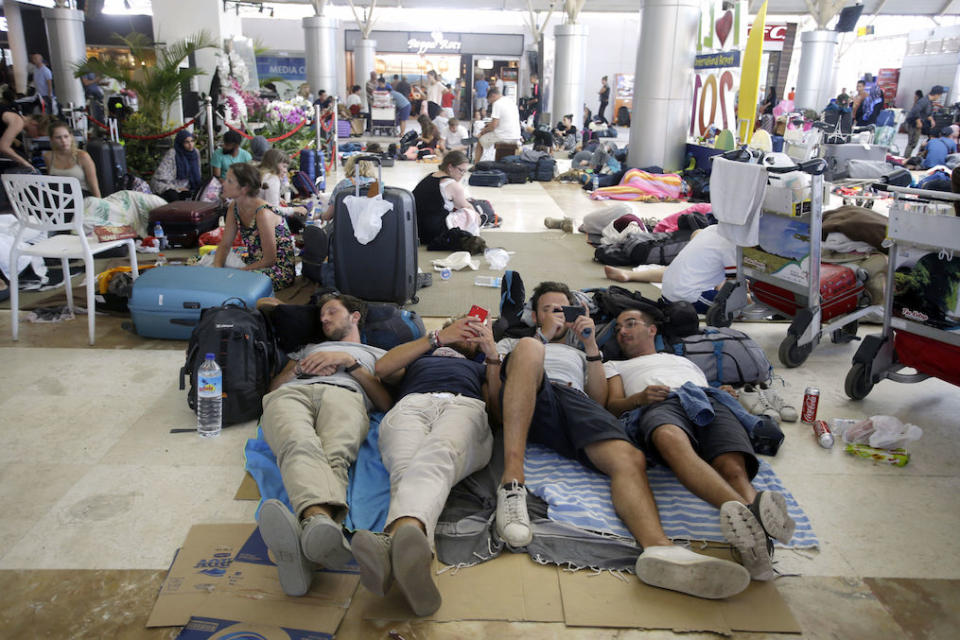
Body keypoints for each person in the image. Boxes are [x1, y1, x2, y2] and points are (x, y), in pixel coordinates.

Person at [493, 281, 750, 600]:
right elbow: (493, 402)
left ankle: (659, 549)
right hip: (535, 391)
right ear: (534, 315)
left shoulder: (582, 351)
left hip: (575, 401)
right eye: (549, 309)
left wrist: (590, 347)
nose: (558, 315)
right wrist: (540, 337)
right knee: (531, 350)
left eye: (564, 309)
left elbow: (599, 401)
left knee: (630, 458)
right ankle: (512, 484)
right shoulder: (514, 342)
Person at [605, 306, 797, 582]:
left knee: (733, 468)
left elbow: (701, 386)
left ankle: (757, 549)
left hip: (706, 399)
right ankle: (752, 518)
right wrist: (639, 399)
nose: (622, 332)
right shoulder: (615, 365)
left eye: (630, 324)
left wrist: (722, 392)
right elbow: (611, 406)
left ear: (652, 330)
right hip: (659, 404)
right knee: (669, 438)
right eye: (618, 329)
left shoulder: (682, 361)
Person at [352, 314, 500, 616]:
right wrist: (436, 339)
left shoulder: (480, 366)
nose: (469, 334)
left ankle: (395, 538)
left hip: (464, 405)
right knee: (404, 467)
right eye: (465, 326)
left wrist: (493, 356)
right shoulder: (422, 353)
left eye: (478, 331)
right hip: (411, 404)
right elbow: (382, 369)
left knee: (437, 456)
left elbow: (497, 410)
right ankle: (413, 551)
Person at [256, 293, 393, 597]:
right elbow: (273, 389)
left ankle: (308, 536)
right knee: (297, 444)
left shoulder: (376, 353)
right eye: (321, 317)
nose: (325, 319)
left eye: (332, 312)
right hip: (293, 394)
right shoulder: (307, 349)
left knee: (335, 456)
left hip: (345, 396)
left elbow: (385, 402)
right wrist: (300, 368)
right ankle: (318, 525)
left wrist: (350, 362)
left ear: (354, 316)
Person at [604, 225, 736, 313]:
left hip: (670, 291)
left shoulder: (710, 229)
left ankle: (628, 275)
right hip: (687, 297)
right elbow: (730, 287)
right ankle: (628, 275)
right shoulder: (731, 245)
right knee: (741, 301)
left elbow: (696, 234)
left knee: (673, 270)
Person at [214, 163, 296, 290]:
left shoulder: (263, 213)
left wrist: (241, 271)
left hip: (277, 270)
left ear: (244, 188)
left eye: (229, 181)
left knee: (233, 280)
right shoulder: (234, 207)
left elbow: (270, 259)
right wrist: (217, 270)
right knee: (198, 260)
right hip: (254, 260)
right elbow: (225, 245)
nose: (223, 184)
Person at [411, 150, 473, 244]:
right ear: (450, 167)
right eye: (461, 170)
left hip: (414, 229)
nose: (463, 175)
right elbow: (467, 208)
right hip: (434, 233)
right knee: (470, 212)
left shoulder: (430, 176)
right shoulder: (452, 185)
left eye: (465, 171)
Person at [43, 121, 100, 197]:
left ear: (71, 137)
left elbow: (93, 185)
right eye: (58, 137)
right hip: (58, 196)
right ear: (52, 139)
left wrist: (99, 203)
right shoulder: (48, 156)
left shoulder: (82, 156)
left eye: (66, 136)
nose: (63, 141)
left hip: (81, 195)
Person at [259, 148, 310, 230]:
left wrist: (278, 198)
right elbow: (274, 209)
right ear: (274, 164)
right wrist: (296, 209)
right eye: (284, 167)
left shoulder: (262, 174)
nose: (286, 171)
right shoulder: (272, 179)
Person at [0, 89, 46, 173]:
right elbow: (4, 147)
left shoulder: (15, 115)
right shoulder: (18, 121)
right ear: (34, 124)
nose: (36, 137)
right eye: (38, 134)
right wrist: (24, 162)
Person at [321, 154, 376, 222]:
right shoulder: (377, 185)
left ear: (350, 167)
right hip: (371, 228)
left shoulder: (343, 185)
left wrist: (320, 216)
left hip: (345, 227)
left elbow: (328, 216)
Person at [151, 129, 203, 201]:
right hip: (169, 185)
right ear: (181, 143)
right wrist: (176, 188)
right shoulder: (173, 153)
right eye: (186, 142)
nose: (190, 145)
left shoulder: (195, 153)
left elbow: (198, 172)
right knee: (173, 196)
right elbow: (162, 175)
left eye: (192, 141)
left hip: (187, 186)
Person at [476, 87, 521, 161]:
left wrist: (483, 131)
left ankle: (476, 164)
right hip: (515, 135)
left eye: (490, 101)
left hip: (503, 136)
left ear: (493, 96)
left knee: (480, 141)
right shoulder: (511, 101)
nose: (491, 103)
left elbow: (493, 126)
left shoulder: (497, 103)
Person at [905, 85, 945, 158]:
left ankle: (908, 157)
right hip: (912, 123)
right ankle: (905, 158)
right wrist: (918, 121)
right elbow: (915, 111)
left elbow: (927, 113)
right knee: (912, 142)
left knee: (914, 142)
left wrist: (932, 120)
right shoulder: (924, 101)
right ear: (937, 94)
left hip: (918, 122)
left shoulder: (929, 102)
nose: (939, 97)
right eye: (940, 95)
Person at [80, 58, 107, 123]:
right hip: (91, 93)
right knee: (95, 110)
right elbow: (86, 83)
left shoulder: (93, 71)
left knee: (100, 109)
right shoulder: (85, 71)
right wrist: (96, 80)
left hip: (97, 92)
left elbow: (95, 82)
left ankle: (101, 122)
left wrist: (102, 83)